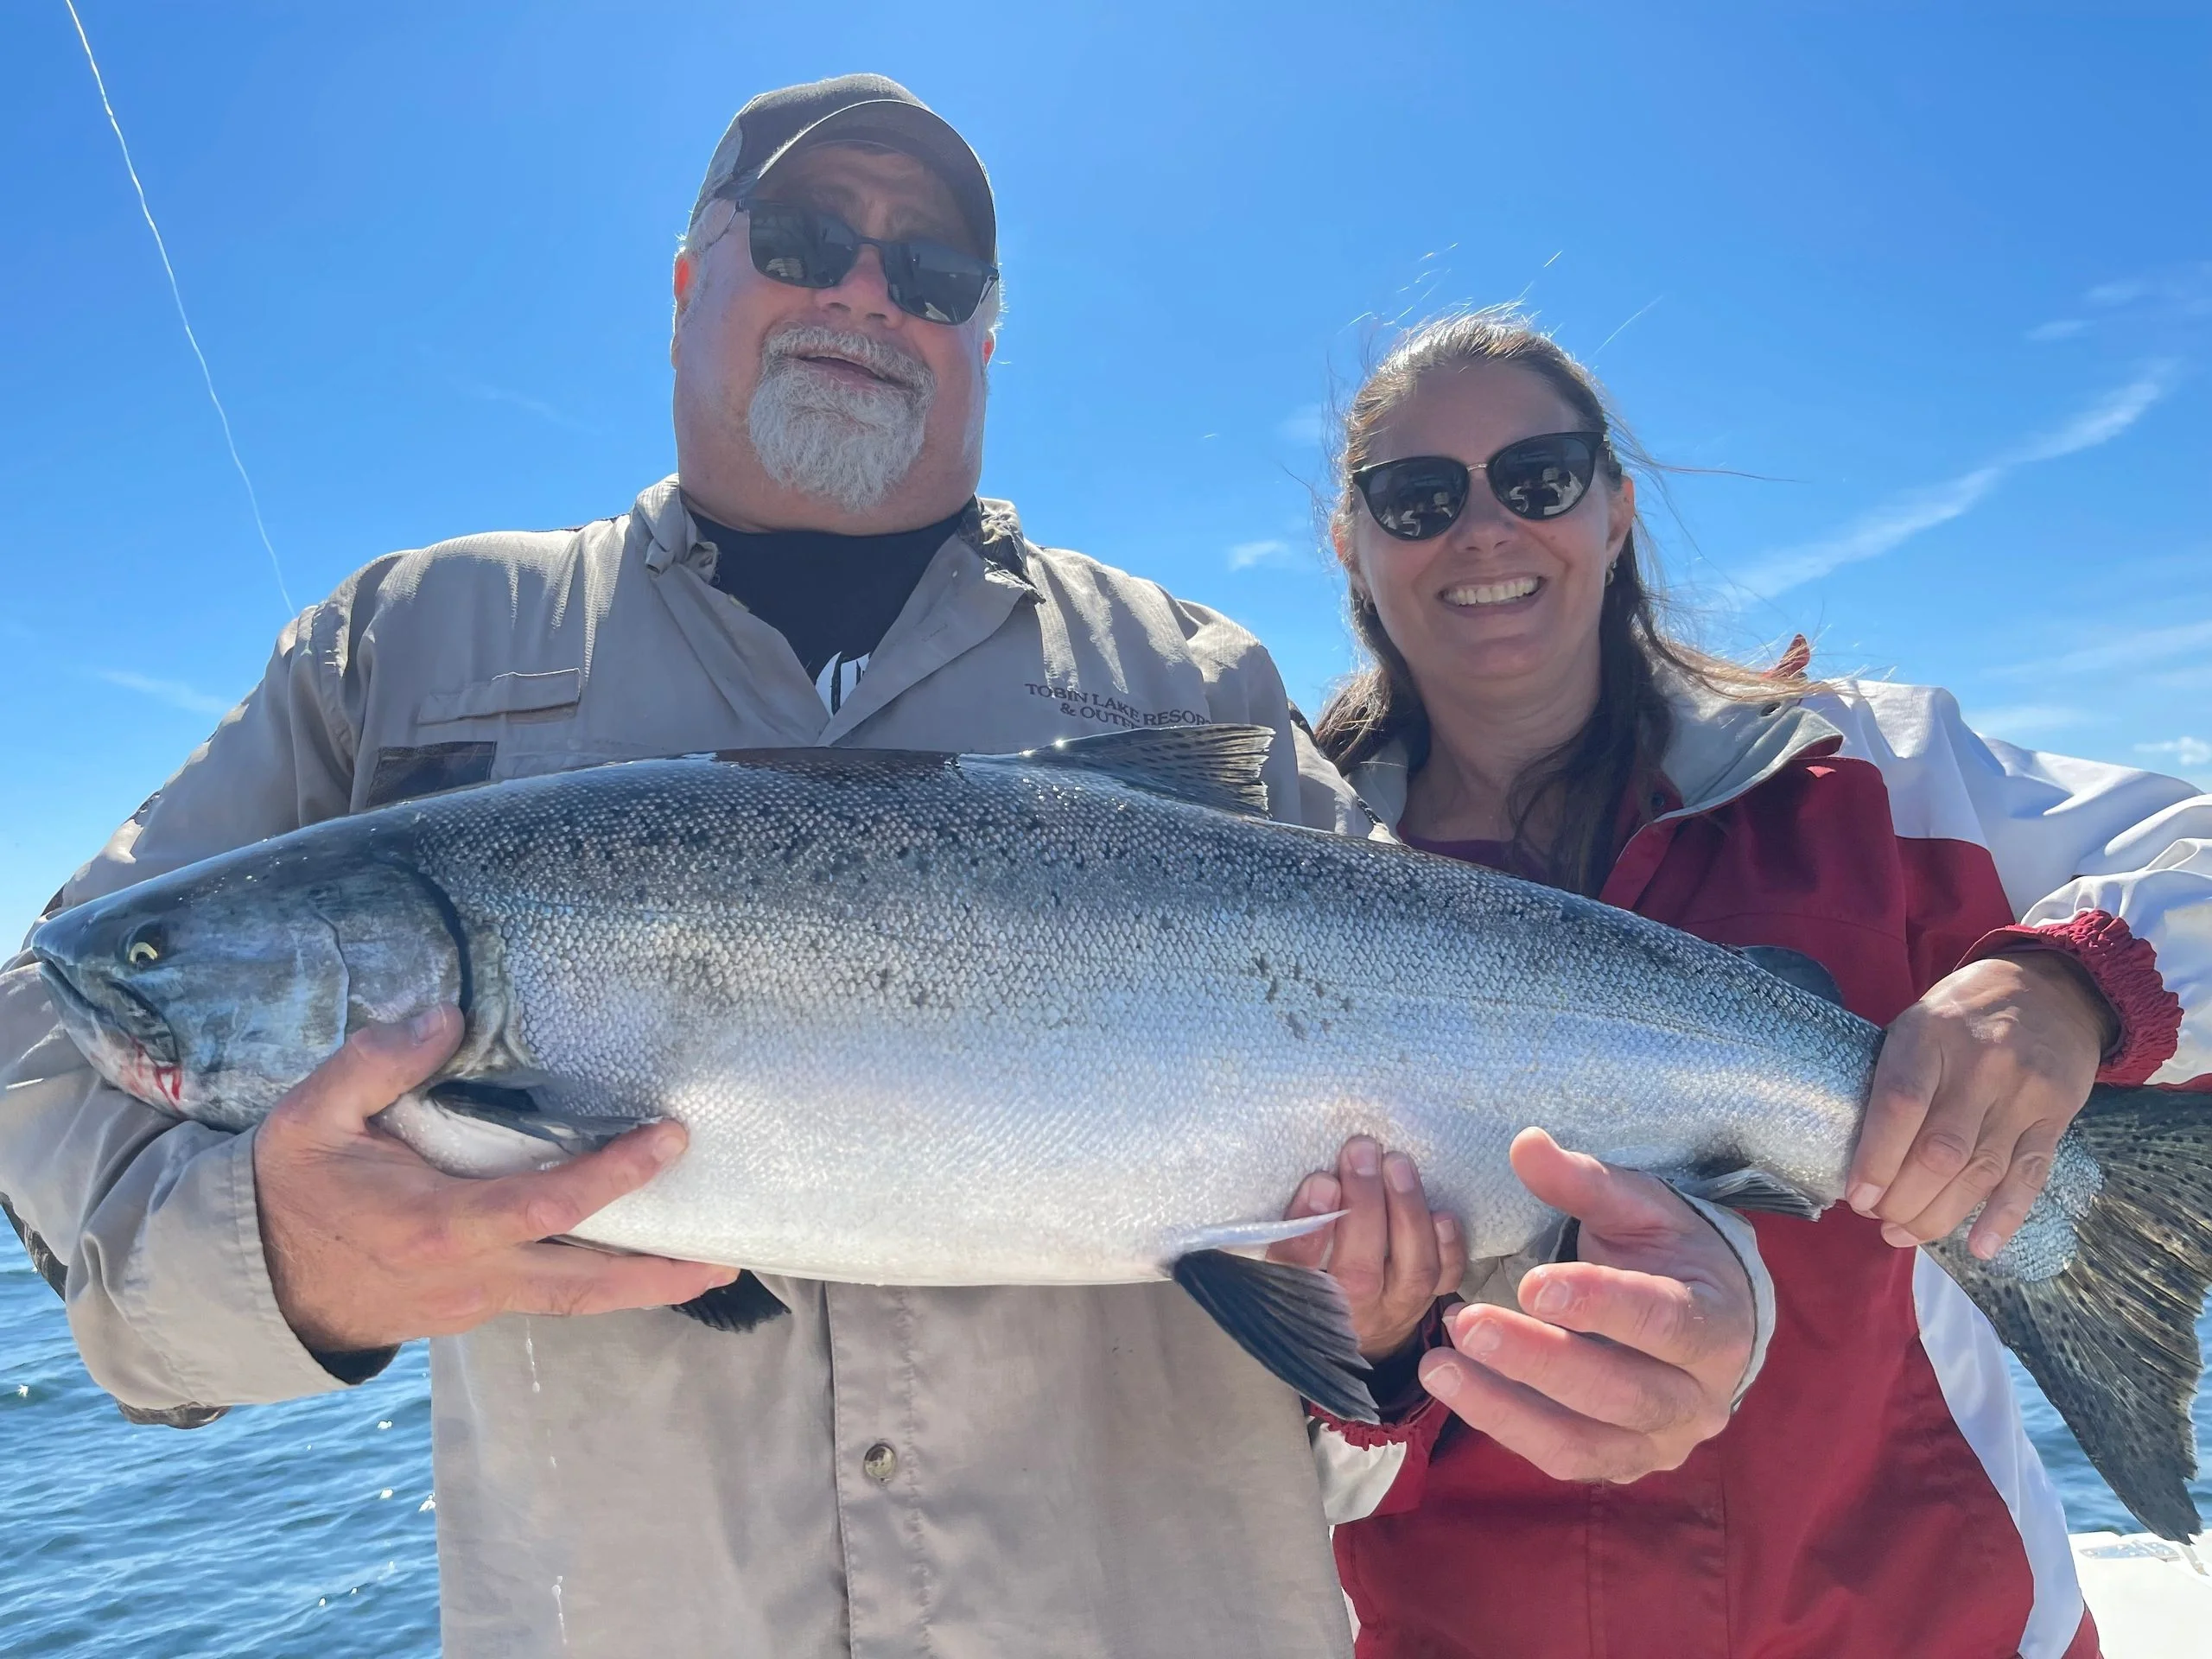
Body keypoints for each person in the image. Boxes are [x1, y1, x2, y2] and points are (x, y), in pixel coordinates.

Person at [0, 84, 1764, 1659]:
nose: (865, 291)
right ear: (688, 279)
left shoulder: (1196, 679)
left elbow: (1494, 1129)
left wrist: (1578, 1311)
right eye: (802, 237)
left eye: (929, 273)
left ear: (982, 342)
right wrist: (284, 1265)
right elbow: (39, 1035)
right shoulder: (398, 649)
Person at [1297, 308, 2212, 1659]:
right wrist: (1354, 1357)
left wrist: (2064, 989)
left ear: (1613, 509)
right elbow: (1252, 1454)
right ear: (1356, 547)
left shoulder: (1876, 773)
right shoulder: (1284, 870)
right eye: (1418, 497)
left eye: (1538, 478)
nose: (1484, 530)